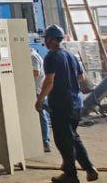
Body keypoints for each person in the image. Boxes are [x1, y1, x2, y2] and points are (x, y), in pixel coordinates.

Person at [35, 25, 99, 183]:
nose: (45, 42)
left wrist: (40, 99)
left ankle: (71, 175)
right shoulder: (70, 55)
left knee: (64, 141)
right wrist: (67, 80)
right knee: (72, 137)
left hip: (61, 104)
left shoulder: (51, 57)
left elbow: (49, 81)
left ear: (50, 40)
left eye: (46, 39)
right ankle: (89, 169)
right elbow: (81, 77)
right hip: (76, 103)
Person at [31, 46, 51, 152]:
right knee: (42, 115)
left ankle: (45, 141)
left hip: (37, 91)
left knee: (42, 115)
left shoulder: (32, 56)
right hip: (37, 90)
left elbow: (35, 72)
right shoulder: (35, 55)